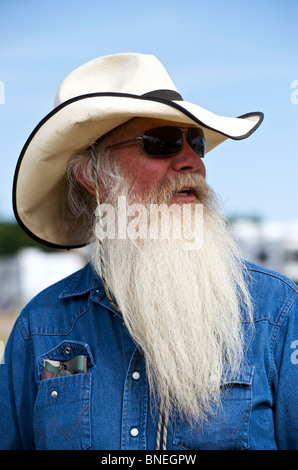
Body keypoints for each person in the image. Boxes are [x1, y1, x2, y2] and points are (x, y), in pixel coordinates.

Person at [0, 53, 297, 450]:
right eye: (162, 142)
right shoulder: (39, 328)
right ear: (93, 176)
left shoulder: (275, 311)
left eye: (195, 143)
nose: (192, 161)